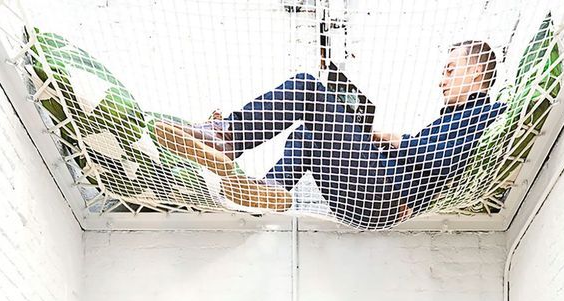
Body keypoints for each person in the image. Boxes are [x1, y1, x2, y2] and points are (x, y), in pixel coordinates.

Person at [155, 40, 505, 229]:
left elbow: (440, 157)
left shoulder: (484, 112)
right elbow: (432, 153)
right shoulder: (454, 117)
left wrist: (390, 137)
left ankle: (227, 137)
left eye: (450, 69)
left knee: (306, 87)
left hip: (385, 192)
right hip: (362, 205)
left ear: (475, 72)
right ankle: (274, 187)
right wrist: (369, 137)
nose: (441, 79)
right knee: (307, 135)